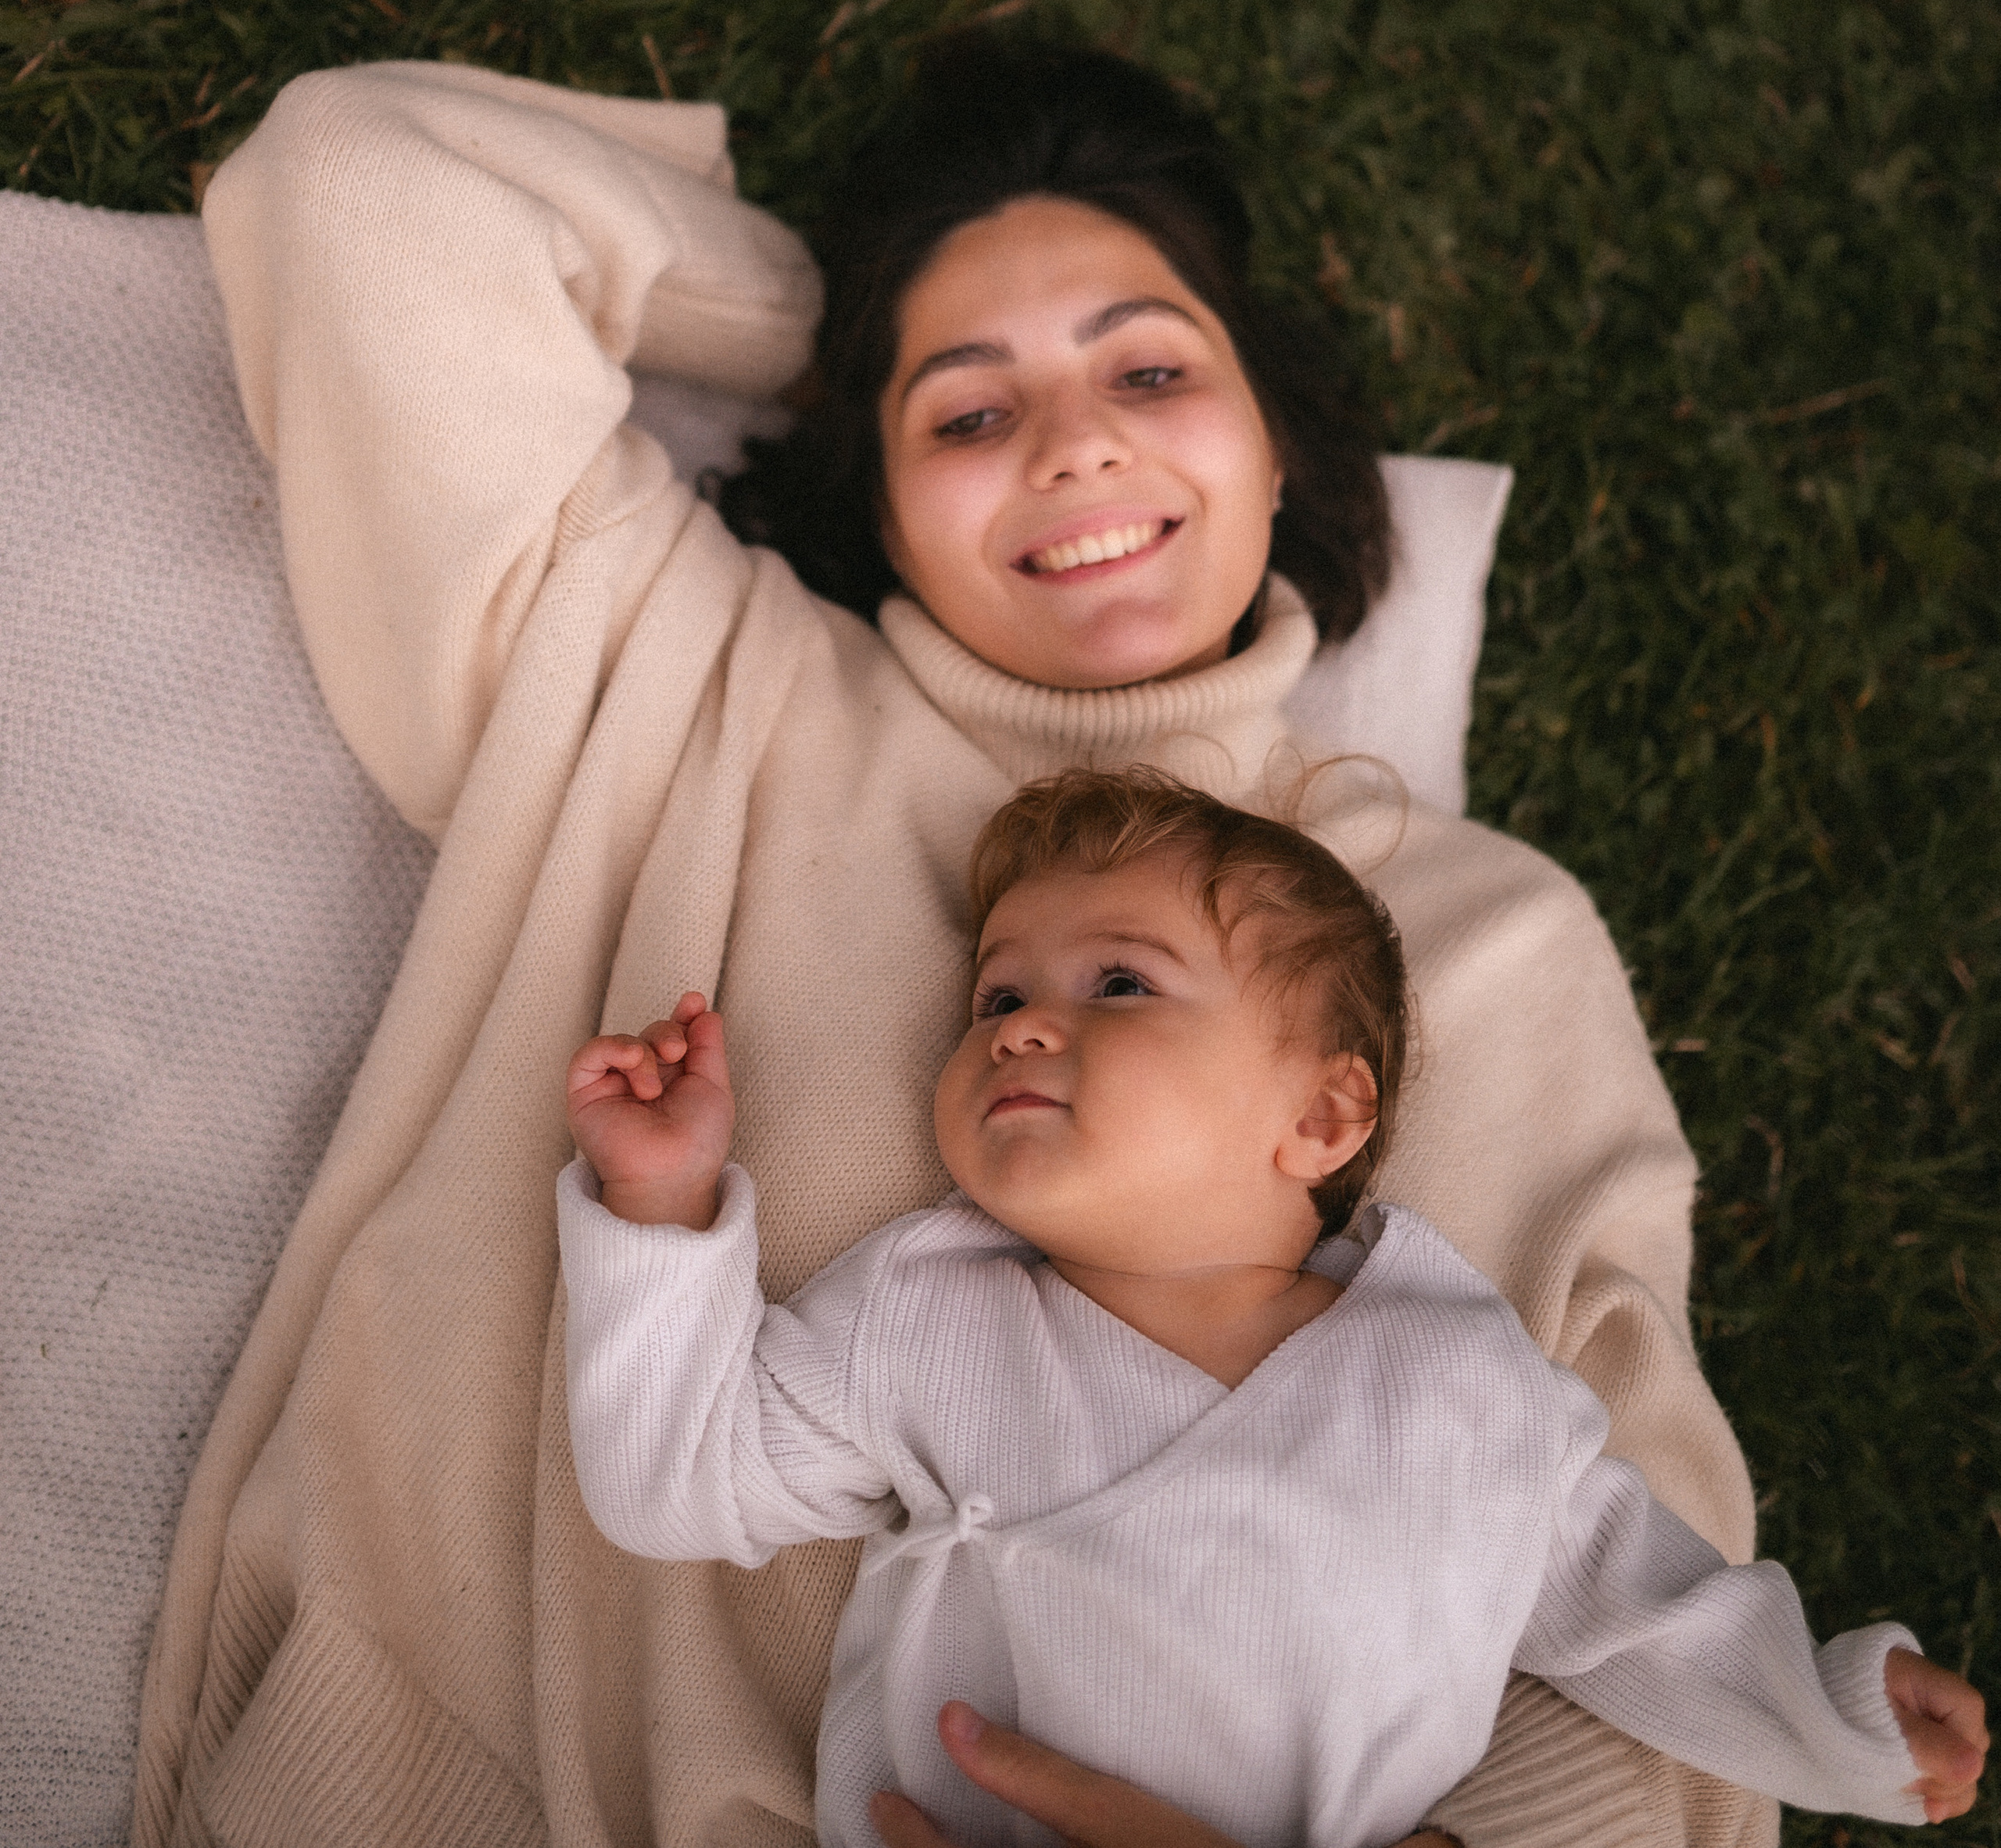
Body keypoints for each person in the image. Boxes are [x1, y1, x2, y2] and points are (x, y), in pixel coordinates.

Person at [141, 33, 1803, 1848]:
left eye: (1151, 368)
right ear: (872, 494)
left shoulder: (1475, 944)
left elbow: (1653, 1621)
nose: (1076, 439)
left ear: (1274, 439)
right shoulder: (691, 681)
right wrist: (844, 324)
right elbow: (366, 178)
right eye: (963, 413)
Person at [558, 768, 1986, 1848]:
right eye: (993, 996)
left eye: (1121, 982)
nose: (1021, 1025)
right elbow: (680, 1478)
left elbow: (1642, 1613)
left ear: (1320, 1116)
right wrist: (663, 1203)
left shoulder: (1454, 1376)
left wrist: (1835, 1715)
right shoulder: (927, 1316)